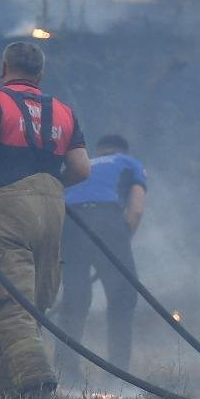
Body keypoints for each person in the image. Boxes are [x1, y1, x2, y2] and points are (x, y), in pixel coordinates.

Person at [0, 41, 90, 399]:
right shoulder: (63, 111)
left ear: (4, 67)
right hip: (51, 208)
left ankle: (37, 381)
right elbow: (81, 169)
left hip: (5, 205)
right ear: (40, 74)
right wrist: (50, 187)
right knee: (33, 307)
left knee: (10, 305)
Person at [56, 134, 148, 385]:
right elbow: (136, 208)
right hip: (107, 219)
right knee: (123, 296)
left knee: (75, 299)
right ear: (124, 150)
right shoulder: (129, 163)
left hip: (69, 223)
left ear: (98, 151)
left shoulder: (84, 164)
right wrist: (121, 239)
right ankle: (117, 376)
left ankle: (66, 375)